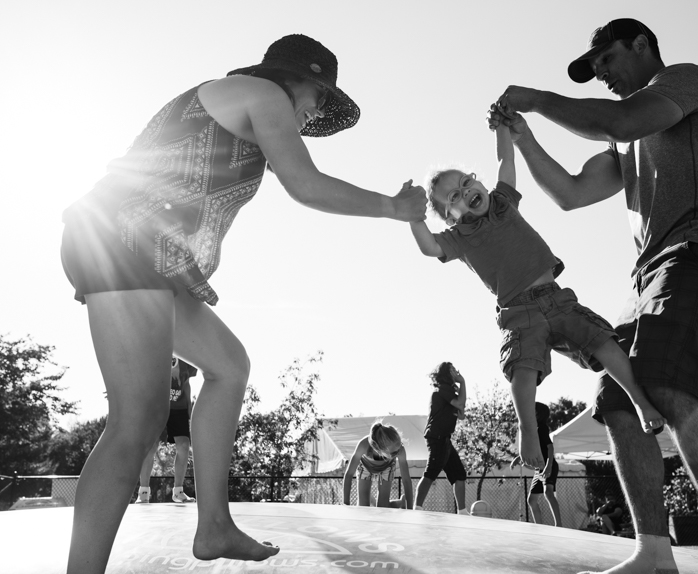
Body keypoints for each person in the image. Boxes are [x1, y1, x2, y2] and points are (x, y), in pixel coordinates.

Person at [60, 34, 425, 573]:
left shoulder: (250, 113)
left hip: (142, 254)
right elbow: (307, 185)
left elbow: (283, 178)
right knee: (137, 419)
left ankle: (213, 527)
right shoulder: (260, 93)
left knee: (229, 366)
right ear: (298, 79)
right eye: (320, 98)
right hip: (120, 240)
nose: (317, 111)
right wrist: (395, 207)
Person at [491, 17, 698, 574]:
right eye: (594, 71)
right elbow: (569, 193)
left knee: (664, 379)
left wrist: (540, 98)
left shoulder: (686, 83)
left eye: (607, 61)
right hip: (650, 276)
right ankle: (653, 553)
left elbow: (622, 116)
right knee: (618, 400)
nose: (602, 75)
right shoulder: (622, 135)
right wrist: (525, 137)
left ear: (641, 46)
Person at [407, 109, 665, 472]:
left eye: (467, 183)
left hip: (556, 298)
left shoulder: (502, 202)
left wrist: (501, 129)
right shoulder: (458, 238)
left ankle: (639, 399)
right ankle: (528, 430)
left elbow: (505, 158)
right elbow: (428, 248)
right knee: (522, 371)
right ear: (450, 217)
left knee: (605, 341)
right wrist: (413, 217)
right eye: (455, 197)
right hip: (519, 313)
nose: (467, 193)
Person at [136, 357, 198, 504]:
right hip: (156, 407)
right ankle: (143, 493)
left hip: (179, 408)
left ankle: (178, 492)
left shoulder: (187, 356)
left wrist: (189, 406)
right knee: (151, 447)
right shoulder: (157, 350)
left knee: (183, 446)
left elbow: (187, 382)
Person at [413, 362, 470, 515]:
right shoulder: (442, 389)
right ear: (446, 373)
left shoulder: (449, 391)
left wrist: (460, 389)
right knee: (431, 472)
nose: (456, 371)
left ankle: (462, 511)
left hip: (444, 438)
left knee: (459, 474)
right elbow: (460, 403)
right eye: (452, 369)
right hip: (437, 437)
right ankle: (417, 508)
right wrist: (463, 382)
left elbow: (461, 412)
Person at [342, 421, 413, 509]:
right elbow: (349, 474)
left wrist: (410, 508)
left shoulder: (400, 450)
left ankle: (399, 503)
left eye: (399, 448)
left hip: (387, 467)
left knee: (382, 508)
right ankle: (370, 499)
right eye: (394, 453)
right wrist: (345, 504)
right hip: (366, 467)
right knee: (363, 508)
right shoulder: (363, 445)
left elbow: (406, 480)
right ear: (379, 449)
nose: (397, 453)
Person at [527, 403, 562, 527]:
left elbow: (550, 447)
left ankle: (558, 524)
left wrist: (549, 465)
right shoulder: (533, 428)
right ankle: (539, 527)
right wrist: (518, 458)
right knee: (531, 500)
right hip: (539, 468)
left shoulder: (542, 427)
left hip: (549, 464)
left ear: (538, 414)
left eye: (532, 410)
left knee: (548, 492)